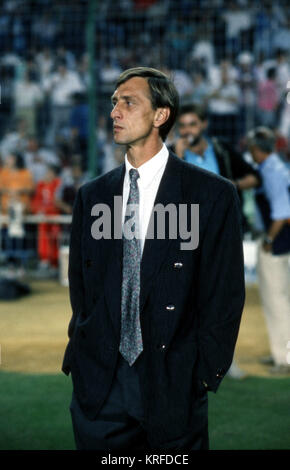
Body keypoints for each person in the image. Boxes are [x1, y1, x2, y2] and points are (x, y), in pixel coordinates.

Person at [62, 67, 245, 451]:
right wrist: (83, 350)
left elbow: (224, 292)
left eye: (128, 102)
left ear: (161, 115)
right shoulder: (92, 195)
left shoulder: (211, 194)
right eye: (114, 103)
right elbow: (82, 287)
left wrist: (201, 373)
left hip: (173, 384)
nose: (115, 112)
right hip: (100, 387)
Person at [173, 103, 261, 233]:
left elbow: (255, 178)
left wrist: (233, 185)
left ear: (204, 124)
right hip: (192, 231)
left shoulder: (221, 149)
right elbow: (170, 192)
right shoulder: (172, 154)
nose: (187, 131)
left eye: (192, 124)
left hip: (226, 226)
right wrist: (178, 157)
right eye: (182, 126)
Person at [247, 127, 290, 375]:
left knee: (277, 302)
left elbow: (283, 213)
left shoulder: (271, 171)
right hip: (284, 243)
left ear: (256, 149)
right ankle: (282, 353)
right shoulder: (275, 165)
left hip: (276, 243)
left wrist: (269, 239)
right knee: (281, 299)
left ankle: (283, 359)